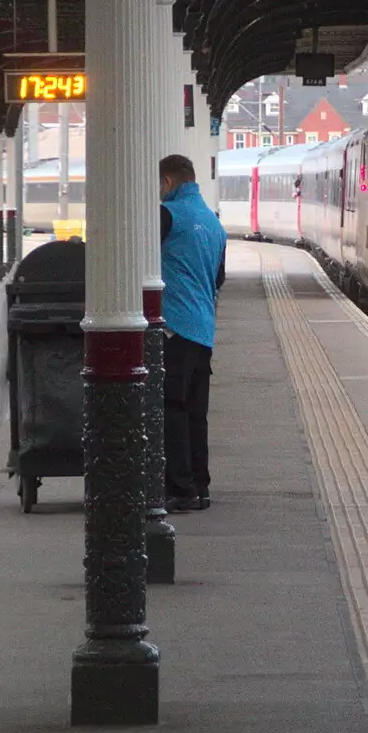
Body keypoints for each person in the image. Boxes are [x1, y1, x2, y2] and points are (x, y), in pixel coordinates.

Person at [158, 154, 226, 513]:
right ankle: (200, 486)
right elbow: (218, 278)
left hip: (173, 328)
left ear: (168, 182)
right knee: (196, 413)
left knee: (172, 409)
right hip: (203, 329)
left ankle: (180, 488)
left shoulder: (168, 216)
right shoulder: (213, 223)